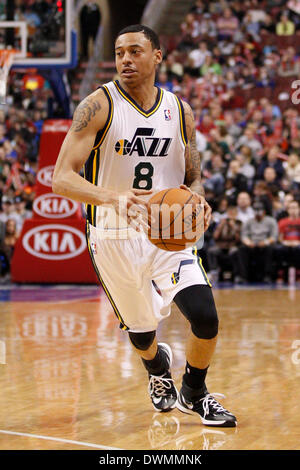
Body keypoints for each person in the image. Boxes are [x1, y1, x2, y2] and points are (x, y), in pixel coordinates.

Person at [53, 24, 237, 427]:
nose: (125, 60)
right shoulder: (98, 105)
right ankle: (157, 370)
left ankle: (195, 390)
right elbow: (61, 177)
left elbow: (193, 175)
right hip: (112, 235)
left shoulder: (179, 109)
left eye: (135, 51)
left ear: (157, 56)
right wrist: (111, 198)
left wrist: (199, 197)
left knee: (205, 316)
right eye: (120, 52)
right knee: (142, 332)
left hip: (168, 232)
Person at [238, 201, 278, 283]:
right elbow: (244, 236)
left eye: (259, 210)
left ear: (264, 211)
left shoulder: (271, 221)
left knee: (270, 249)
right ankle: (243, 276)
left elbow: (274, 236)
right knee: (241, 249)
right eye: (255, 210)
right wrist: (248, 242)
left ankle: (267, 275)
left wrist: (265, 242)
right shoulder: (248, 221)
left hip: (265, 245)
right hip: (252, 245)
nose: (257, 213)